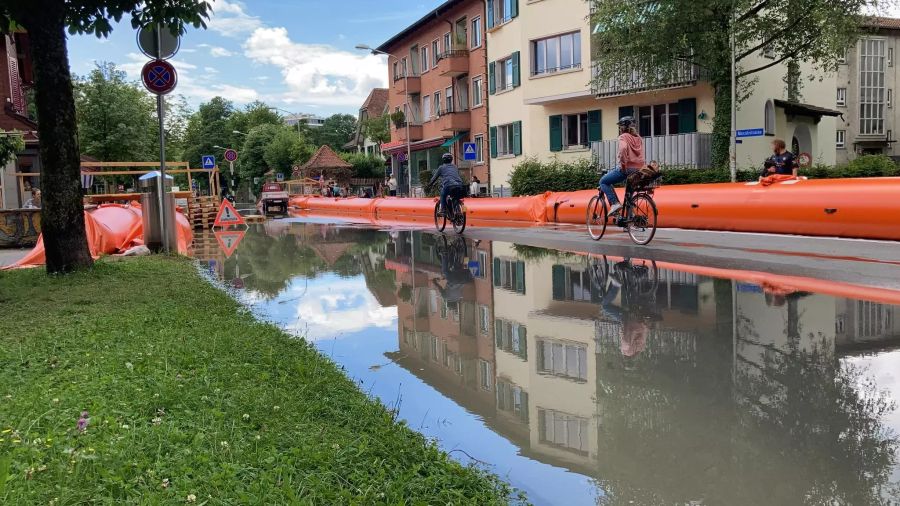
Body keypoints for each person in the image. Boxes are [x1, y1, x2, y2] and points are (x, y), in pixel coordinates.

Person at [600, 116, 645, 215]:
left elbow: (623, 149)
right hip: (639, 169)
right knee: (629, 196)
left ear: (623, 127)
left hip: (627, 168)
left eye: (620, 127)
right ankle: (629, 221)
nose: (619, 129)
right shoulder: (638, 137)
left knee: (603, 181)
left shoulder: (623, 137)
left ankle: (615, 203)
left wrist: (623, 165)